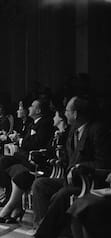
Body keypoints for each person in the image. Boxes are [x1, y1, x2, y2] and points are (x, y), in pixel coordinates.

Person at [32, 96, 111, 238]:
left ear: (75, 114)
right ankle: (42, 227)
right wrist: (59, 158)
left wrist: (80, 166)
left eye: (67, 110)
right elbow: (69, 158)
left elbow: (103, 163)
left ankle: (44, 235)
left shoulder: (97, 130)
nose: (65, 113)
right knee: (40, 184)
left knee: (61, 195)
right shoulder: (73, 130)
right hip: (68, 180)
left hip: (88, 183)